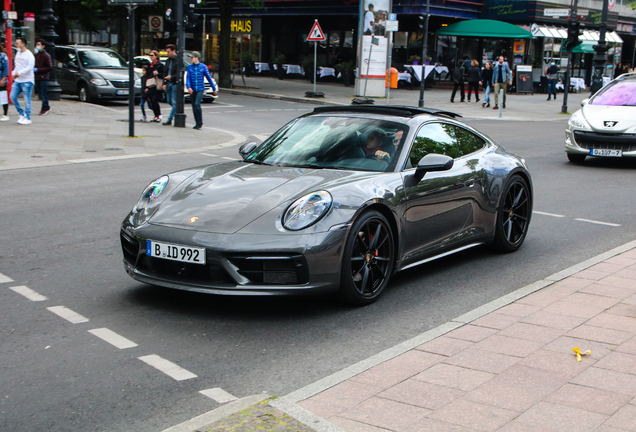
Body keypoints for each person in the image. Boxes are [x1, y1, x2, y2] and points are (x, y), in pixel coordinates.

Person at [186, 51, 217, 130]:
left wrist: (214, 88)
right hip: (192, 89)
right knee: (193, 106)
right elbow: (188, 78)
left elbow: (209, 78)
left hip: (200, 89)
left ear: (196, 58)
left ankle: (200, 122)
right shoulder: (190, 67)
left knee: (197, 104)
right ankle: (197, 122)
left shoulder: (203, 67)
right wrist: (189, 87)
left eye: (192, 57)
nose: (190, 59)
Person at [11, 37, 35, 125]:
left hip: (27, 80)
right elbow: (16, 66)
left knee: (26, 99)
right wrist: (13, 73)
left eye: (17, 43)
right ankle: (22, 113)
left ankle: (28, 117)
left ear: (23, 44)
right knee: (12, 97)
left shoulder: (29, 55)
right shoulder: (18, 53)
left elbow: (30, 67)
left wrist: (19, 73)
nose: (15, 44)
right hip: (18, 80)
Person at [145, 50, 164, 122]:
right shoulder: (150, 65)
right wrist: (146, 87)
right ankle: (156, 115)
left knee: (154, 99)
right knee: (151, 100)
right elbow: (148, 76)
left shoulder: (160, 65)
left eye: (152, 55)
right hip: (151, 85)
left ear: (156, 56)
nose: (151, 57)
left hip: (157, 85)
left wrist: (158, 73)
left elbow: (163, 75)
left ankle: (159, 114)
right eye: (150, 55)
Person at [34, 39, 52, 116]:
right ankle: (46, 106)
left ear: (43, 46)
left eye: (39, 44)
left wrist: (38, 69)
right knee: (40, 93)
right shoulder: (36, 55)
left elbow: (49, 67)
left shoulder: (46, 56)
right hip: (37, 76)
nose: (37, 46)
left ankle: (44, 108)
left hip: (44, 77)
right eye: (36, 44)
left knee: (43, 93)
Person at [162, 44, 178, 126]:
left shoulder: (178, 60)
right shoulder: (168, 61)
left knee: (174, 101)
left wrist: (172, 77)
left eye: (168, 52)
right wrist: (164, 83)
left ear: (173, 51)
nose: (167, 53)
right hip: (168, 83)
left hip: (175, 82)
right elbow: (165, 71)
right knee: (169, 101)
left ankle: (170, 119)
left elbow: (180, 73)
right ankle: (177, 111)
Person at [0, 43, 9, 121]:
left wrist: (3, 79)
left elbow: (6, 68)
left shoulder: (3, 56)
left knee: (3, 96)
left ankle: (5, 113)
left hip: (1, 78)